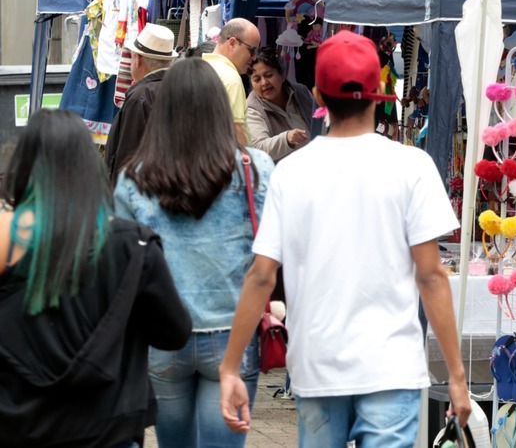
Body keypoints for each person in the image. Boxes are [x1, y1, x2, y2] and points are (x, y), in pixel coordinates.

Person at [219, 30, 471, 446]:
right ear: (378, 94)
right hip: (391, 364)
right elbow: (432, 276)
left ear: (317, 97)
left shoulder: (291, 173)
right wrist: (457, 377)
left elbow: (261, 275)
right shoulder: (412, 165)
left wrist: (231, 368)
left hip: (318, 364)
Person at [0, 109, 191, 447]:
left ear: (24, 165)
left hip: (19, 427)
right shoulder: (134, 244)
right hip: (108, 427)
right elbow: (174, 333)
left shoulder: (6, 238)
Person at [114, 59, 275, 448]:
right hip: (234, 335)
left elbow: (122, 265)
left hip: (163, 338)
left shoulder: (134, 179)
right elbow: (272, 254)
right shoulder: (255, 170)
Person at [105, 23, 178, 182]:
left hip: (142, 191)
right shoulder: (179, 87)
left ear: (137, 59)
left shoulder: (141, 97)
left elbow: (127, 153)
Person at [247, 47, 315, 161]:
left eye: (269, 75)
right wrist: (287, 139)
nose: (264, 83)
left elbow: (319, 122)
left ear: (282, 75)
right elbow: (258, 149)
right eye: (257, 79)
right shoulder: (252, 109)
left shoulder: (301, 92)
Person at [204, 17, 261, 146]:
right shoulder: (230, 78)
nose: (254, 57)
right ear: (232, 43)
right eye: (252, 50)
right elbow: (236, 133)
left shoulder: (200, 68)